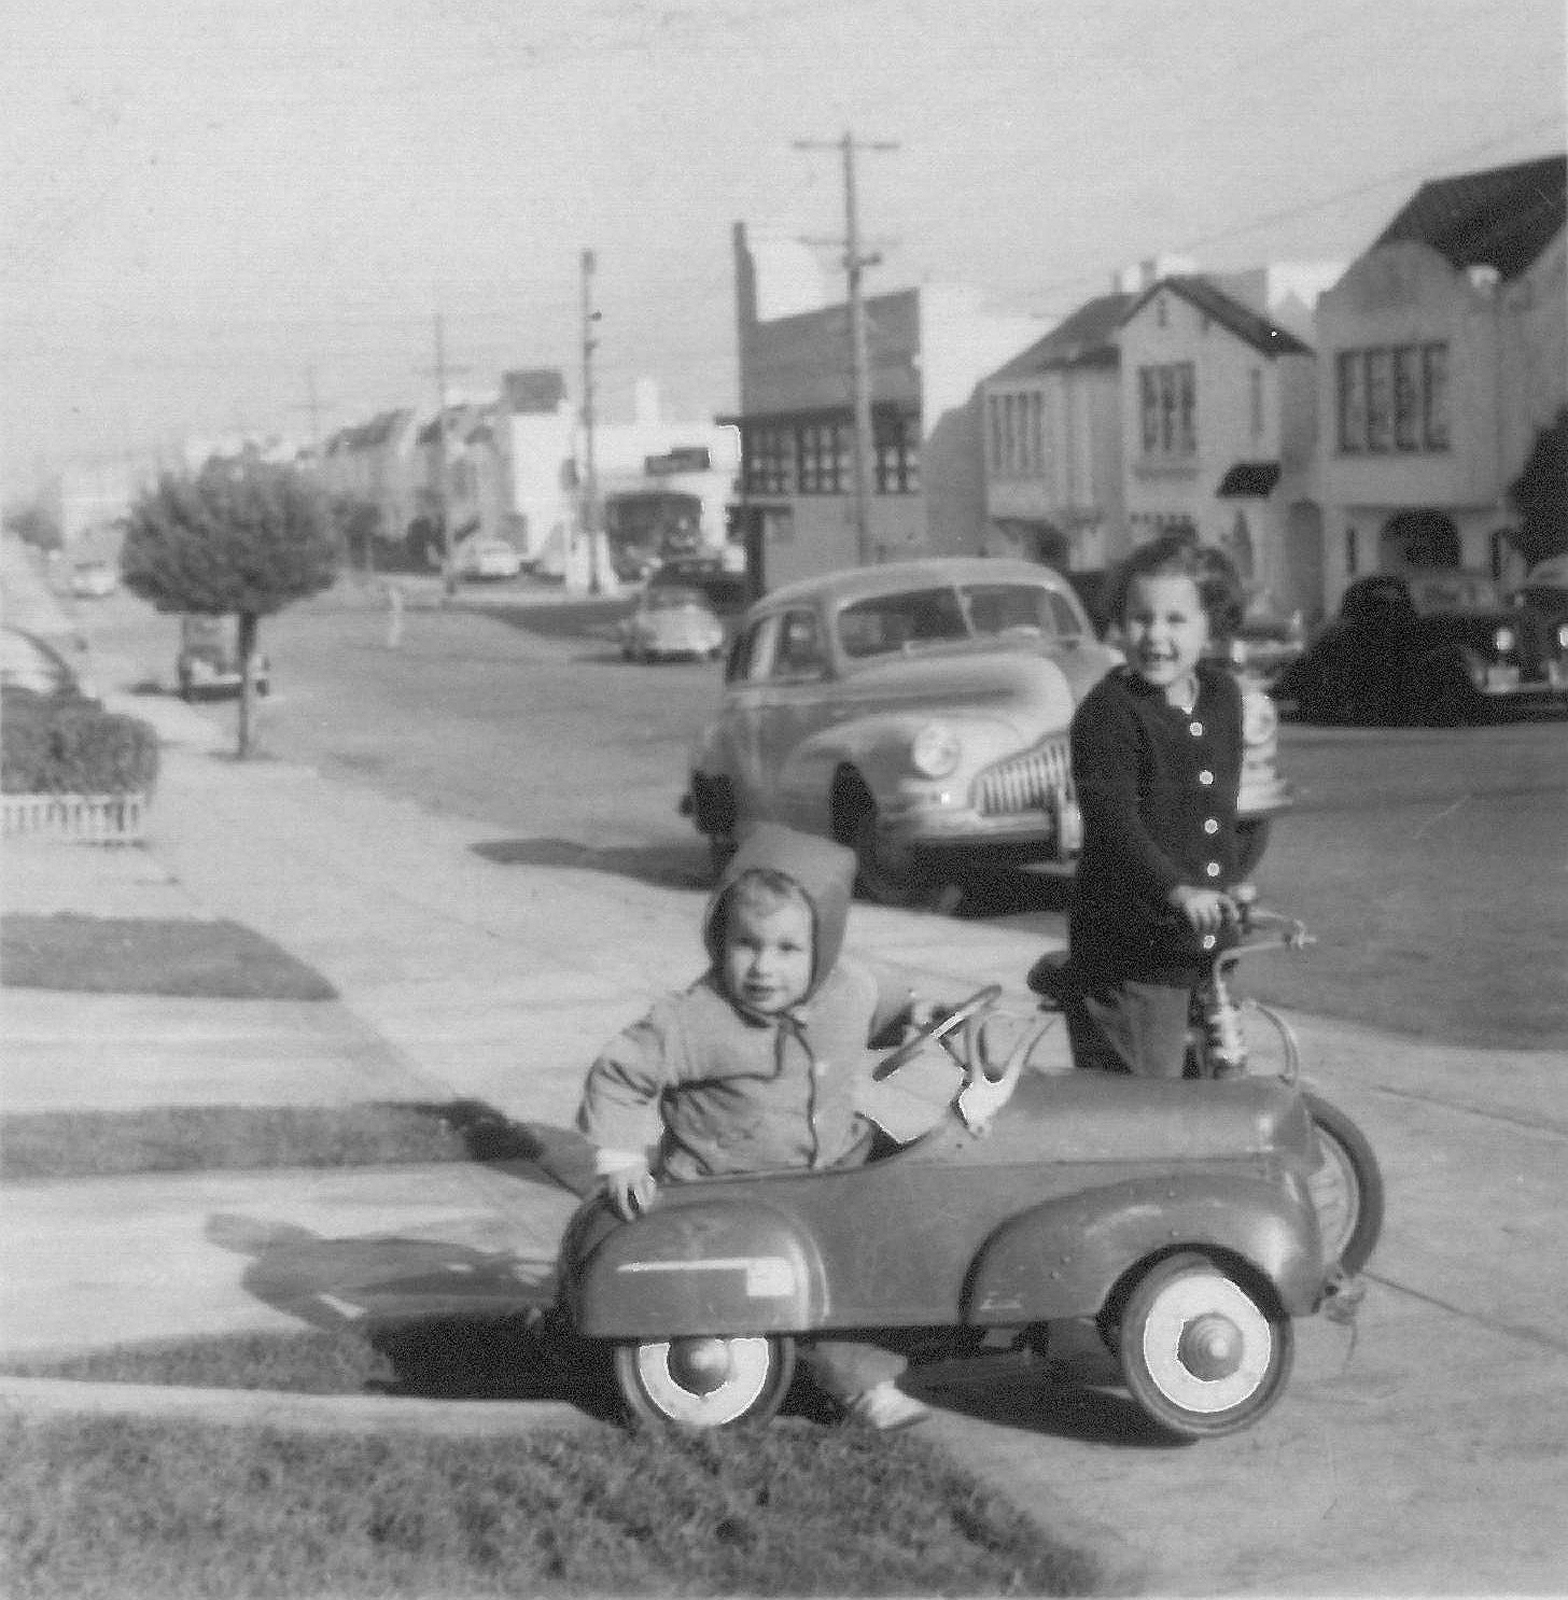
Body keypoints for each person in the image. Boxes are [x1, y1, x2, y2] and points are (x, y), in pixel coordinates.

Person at [577, 821, 937, 1430]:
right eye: (747, 944)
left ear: (822, 948)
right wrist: (622, 1156)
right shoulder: (696, 1019)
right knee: (829, 1266)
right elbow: (619, 1073)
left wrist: (926, 1015)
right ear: (721, 939)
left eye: (788, 950)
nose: (763, 968)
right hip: (735, 1181)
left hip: (833, 1160)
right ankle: (859, 1383)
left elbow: (894, 1009)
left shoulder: (846, 989)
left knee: (922, 1182)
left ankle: (924, 1315)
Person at [1051, 534, 1246, 1078]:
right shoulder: (1110, 712)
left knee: (1211, 1081)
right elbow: (1114, 825)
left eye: (1176, 620)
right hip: (1131, 952)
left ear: (1212, 625)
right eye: (1140, 618)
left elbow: (1214, 813)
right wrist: (1177, 889)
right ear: (1119, 623)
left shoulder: (1222, 697)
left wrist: (1229, 885)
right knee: (1147, 1104)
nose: (1155, 636)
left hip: (1197, 948)